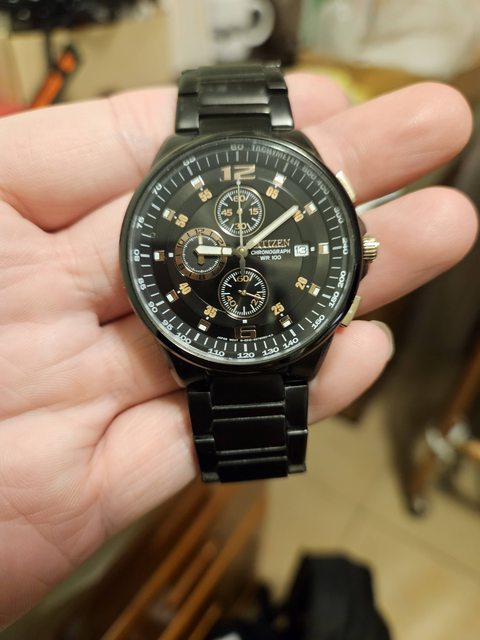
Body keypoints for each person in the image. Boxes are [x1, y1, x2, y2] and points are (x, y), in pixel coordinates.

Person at [0, 73, 477, 628]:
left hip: (274, 329)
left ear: (360, 252)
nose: (240, 248)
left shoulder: (322, 229)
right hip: (211, 332)